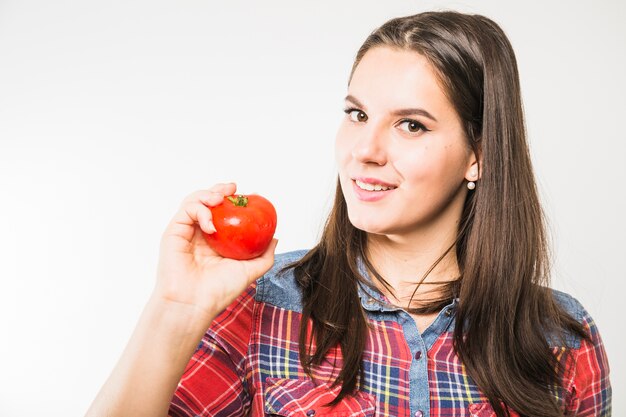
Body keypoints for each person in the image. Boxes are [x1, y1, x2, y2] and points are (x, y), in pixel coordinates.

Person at [86, 10, 611, 417]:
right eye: (357, 114)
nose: (365, 149)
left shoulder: (561, 340)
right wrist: (176, 308)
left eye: (411, 125)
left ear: (479, 155)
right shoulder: (261, 306)